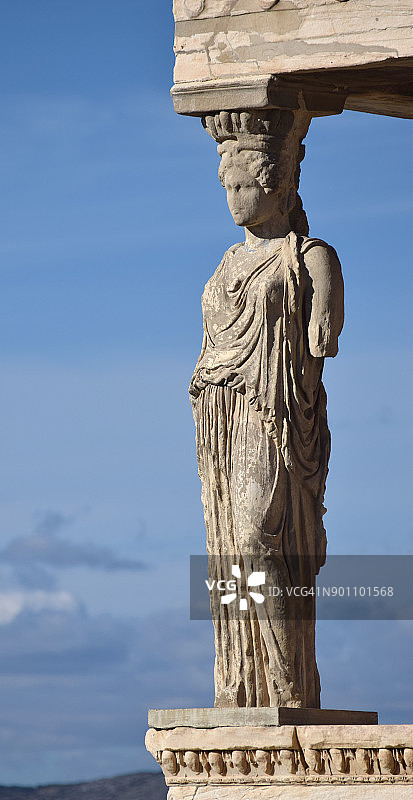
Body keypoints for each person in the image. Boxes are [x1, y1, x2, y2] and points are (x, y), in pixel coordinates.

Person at [190, 109, 344, 708]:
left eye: (241, 187)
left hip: (272, 414)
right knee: (228, 548)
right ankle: (241, 685)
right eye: (226, 188)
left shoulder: (310, 257)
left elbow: (322, 337)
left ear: (275, 183)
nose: (232, 199)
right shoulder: (227, 262)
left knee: (259, 534)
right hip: (219, 415)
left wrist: (323, 319)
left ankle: (288, 681)